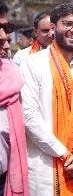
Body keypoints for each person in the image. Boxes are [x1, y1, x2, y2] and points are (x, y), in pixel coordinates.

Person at [21, 3, 73, 196]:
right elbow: (29, 116)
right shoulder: (33, 63)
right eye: (68, 24)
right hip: (45, 170)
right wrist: (66, 154)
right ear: (53, 28)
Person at [0, 24, 29, 196]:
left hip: (4, 179)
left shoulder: (12, 75)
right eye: (0, 42)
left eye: (7, 41)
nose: (6, 47)